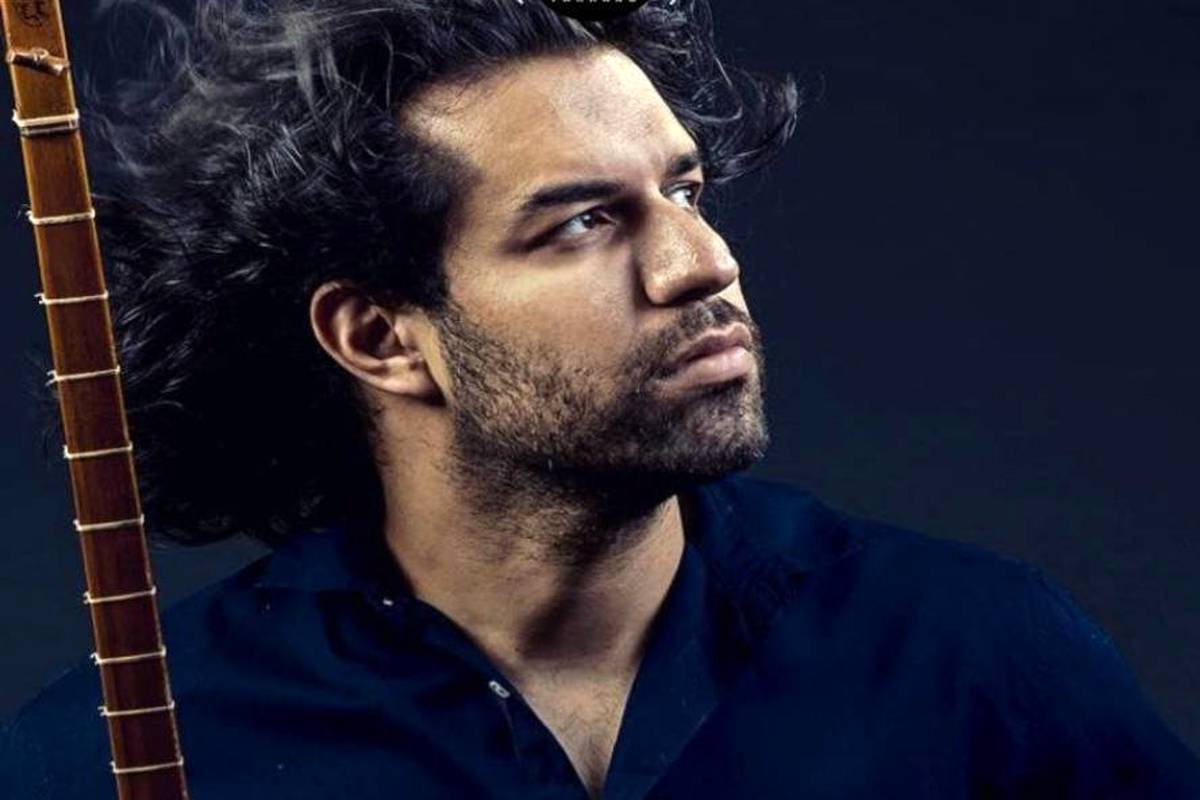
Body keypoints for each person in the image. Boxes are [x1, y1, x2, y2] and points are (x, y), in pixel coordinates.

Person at [3, 0, 1198, 798]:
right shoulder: (116, 747)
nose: (703, 263)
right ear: (381, 338)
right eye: (582, 222)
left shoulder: (976, 652)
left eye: (686, 190)